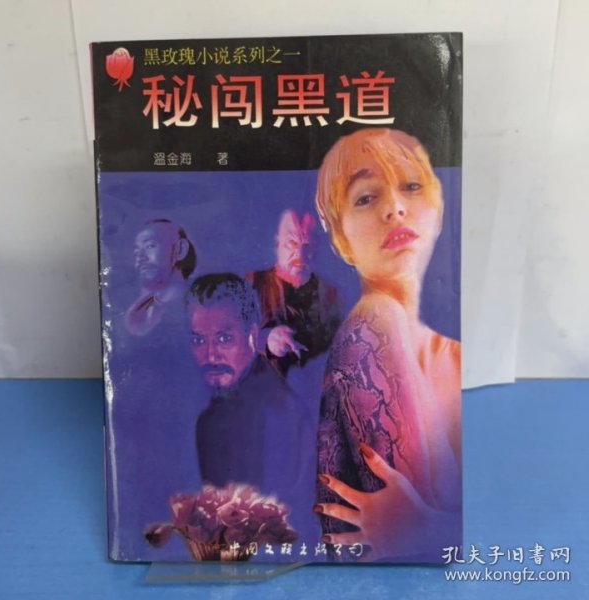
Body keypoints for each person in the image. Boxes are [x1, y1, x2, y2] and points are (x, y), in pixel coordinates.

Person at [312, 128, 461, 562]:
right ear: (341, 238)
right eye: (366, 197)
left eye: (411, 186)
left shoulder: (456, 356)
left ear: (437, 209)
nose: (394, 208)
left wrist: (435, 529)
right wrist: (437, 532)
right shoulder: (373, 323)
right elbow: (430, 546)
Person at [186, 273, 315, 510]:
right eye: (199, 341)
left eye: (224, 339)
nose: (210, 355)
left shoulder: (277, 415)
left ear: (253, 336)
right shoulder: (212, 411)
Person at [247, 209, 342, 376]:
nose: (300, 254)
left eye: (308, 245)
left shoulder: (331, 296)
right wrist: (264, 339)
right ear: (277, 244)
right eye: (292, 243)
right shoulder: (250, 284)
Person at [125, 219, 196, 336]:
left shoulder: (199, 306)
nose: (140, 258)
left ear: (180, 250)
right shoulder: (141, 311)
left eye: (150, 246)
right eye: (136, 252)